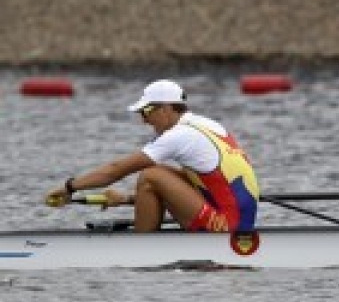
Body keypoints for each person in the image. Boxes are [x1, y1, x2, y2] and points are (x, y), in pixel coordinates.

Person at [44, 79, 260, 232]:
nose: (144, 120)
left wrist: (69, 187)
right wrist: (127, 199)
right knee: (164, 174)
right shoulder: (205, 124)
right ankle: (146, 240)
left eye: (147, 112)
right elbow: (198, 190)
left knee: (150, 175)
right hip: (236, 221)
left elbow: (116, 170)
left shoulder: (179, 136)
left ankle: (142, 252)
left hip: (225, 227)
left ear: (166, 108)